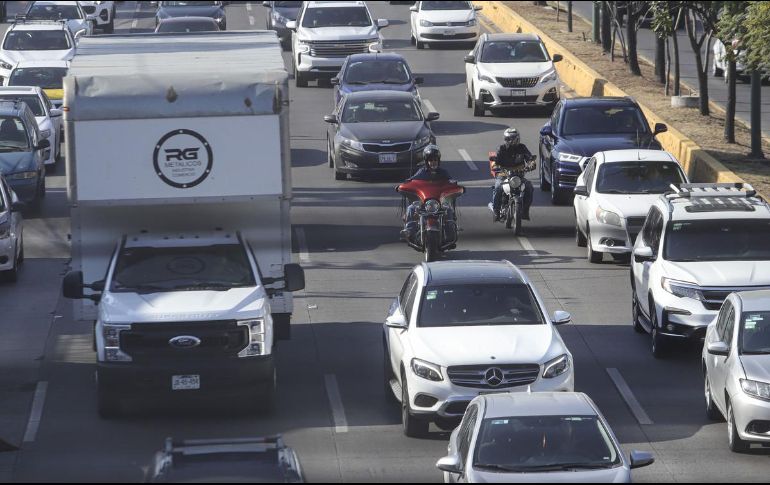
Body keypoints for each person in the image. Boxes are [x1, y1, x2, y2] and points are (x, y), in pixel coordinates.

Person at [400, 145, 457, 241]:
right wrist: (404, 184)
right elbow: (411, 180)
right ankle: (409, 232)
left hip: (439, 202)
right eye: (431, 160)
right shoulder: (421, 172)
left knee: (449, 210)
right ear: (426, 161)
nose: (433, 162)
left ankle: (450, 234)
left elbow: (451, 181)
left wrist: (455, 185)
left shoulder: (443, 172)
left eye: (435, 160)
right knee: (410, 209)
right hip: (423, 202)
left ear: (438, 161)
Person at [491, 127, 534, 220]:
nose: (509, 141)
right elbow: (495, 161)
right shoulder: (501, 148)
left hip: (518, 175)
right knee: (498, 187)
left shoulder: (522, 148)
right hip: (503, 174)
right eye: (507, 138)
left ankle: (525, 211)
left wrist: (531, 163)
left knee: (529, 187)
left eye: (511, 138)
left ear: (517, 138)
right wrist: (496, 166)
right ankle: (496, 211)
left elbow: (529, 158)